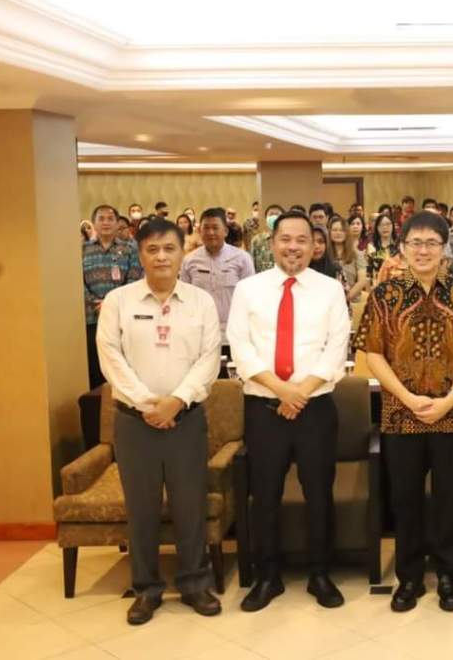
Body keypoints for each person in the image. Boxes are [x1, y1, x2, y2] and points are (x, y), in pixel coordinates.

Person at [352, 211, 453, 613]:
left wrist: (451, 397)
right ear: (402, 248)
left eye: (432, 243)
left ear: (445, 248)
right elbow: (373, 354)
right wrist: (407, 398)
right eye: (416, 242)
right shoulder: (384, 294)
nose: (424, 250)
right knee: (405, 499)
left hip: (451, 413)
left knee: (449, 498)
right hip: (400, 414)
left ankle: (449, 576)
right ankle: (409, 577)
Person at [96, 217, 222, 625]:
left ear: (183, 252)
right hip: (134, 423)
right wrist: (148, 404)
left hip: (187, 420)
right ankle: (146, 589)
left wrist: (177, 401)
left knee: (190, 506)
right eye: (152, 249)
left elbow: (209, 358)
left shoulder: (201, 302)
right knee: (142, 509)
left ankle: (194, 583)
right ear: (141, 255)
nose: (162, 256)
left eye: (169, 248)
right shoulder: (119, 301)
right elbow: (110, 357)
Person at [227, 211, 351, 612]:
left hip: (315, 408)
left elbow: (337, 347)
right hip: (264, 407)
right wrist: (282, 391)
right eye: (286, 239)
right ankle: (268, 576)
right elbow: (240, 348)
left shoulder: (330, 290)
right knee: (264, 495)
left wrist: (300, 393)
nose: (293, 247)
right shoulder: (248, 289)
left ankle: (320, 573)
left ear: (315, 246)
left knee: (319, 493)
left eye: (302, 240)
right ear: (272, 243)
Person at [180, 207, 255, 373]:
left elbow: (252, 299)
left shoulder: (242, 259)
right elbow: (184, 300)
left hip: (232, 336)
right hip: (200, 337)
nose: (210, 232)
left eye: (215, 227)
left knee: (232, 382)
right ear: (199, 231)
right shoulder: (189, 261)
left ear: (225, 231)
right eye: (206, 228)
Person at [83, 204, 144, 388]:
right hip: (92, 317)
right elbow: (77, 282)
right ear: (93, 223)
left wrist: (110, 303)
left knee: (122, 369)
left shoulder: (130, 249)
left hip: (122, 317)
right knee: (95, 369)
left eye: (110, 219)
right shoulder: (82, 249)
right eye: (101, 219)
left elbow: (134, 278)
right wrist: (94, 302)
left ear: (118, 223)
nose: (106, 223)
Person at [330, 216, 368, 302]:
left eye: (342, 230)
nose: (338, 233)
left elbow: (362, 281)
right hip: (329, 301)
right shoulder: (325, 255)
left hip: (351, 301)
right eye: (334, 230)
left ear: (347, 232)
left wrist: (345, 299)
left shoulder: (357, 254)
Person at [366, 213, 399, 284]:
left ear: (393, 226)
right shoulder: (372, 247)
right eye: (381, 225)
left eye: (388, 224)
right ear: (377, 228)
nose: (385, 227)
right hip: (378, 285)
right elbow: (368, 273)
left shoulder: (399, 246)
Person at [250, 204, 283, 273]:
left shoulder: (288, 241)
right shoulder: (257, 240)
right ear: (266, 219)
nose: (274, 217)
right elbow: (252, 264)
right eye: (271, 214)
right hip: (261, 278)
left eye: (277, 214)